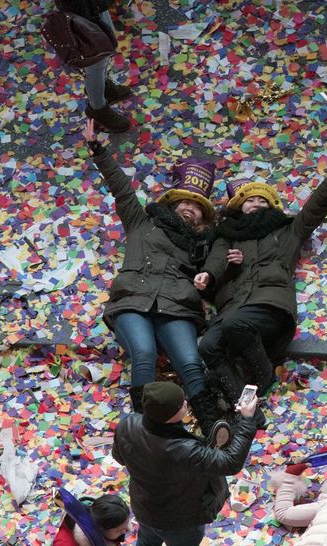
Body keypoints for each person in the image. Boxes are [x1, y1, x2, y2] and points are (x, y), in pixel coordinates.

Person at [85, 120, 226, 440]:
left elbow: (221, 253)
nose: (190, 209)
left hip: (177, 305)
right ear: (173, 204)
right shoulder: (141, 222)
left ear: (204, 217)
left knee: (190, 360)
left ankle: (212, 425)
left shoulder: (203, 245)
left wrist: (210, 272)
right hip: (134, 300)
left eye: (197, 207)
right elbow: (121, 188)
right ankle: (143, 428)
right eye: (185, 202)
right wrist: (98, 150)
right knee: (144, 352)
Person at [193, 145, 327, 415]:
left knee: (236, 325)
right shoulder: (227, 234)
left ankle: (264, 375)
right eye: (250, 201)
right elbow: (215, 262)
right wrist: (210, 274)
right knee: (208, 346)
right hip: (233, 305)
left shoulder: (287, 230)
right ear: (240, 207)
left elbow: (316, 207)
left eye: (262, 201)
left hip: (269, 303)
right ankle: (245, 408)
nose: (256, 205)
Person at [112, 381, 258, 546]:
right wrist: (247, 420)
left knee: (146, 545)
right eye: (181, 404)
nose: (186, 403)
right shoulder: (183, 449)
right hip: (181, 520)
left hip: (145, 507)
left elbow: (119, 457)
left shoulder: (127, 424)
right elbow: (230, 462)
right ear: (169, 416)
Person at [57, 0, 132, 132]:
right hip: (79, 7)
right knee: (95, 54)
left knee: (107, 40)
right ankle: (98, 109)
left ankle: (101, 85)